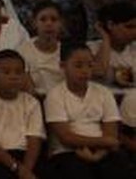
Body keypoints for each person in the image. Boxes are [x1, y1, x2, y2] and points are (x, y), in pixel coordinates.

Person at [44, 41, 128, 178]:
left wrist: (98, 154)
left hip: (102, 151)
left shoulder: (103, 92)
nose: (85, 71)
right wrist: (105, 142)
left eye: (90, 65)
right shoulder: (55, 95)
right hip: (68, 152)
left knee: (118, 166)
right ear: (63, 66)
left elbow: (111, 133)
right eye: (78, 66)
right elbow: (66, 137)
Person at [0, 50, 45, 179]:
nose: (13, 76)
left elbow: (34, 139)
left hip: (26, 156)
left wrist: (26, 170)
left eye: (18, 72)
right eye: (6, 72)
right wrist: (16, 168)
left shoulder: (31, 102)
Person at [16, 1, 63, 96]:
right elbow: (28, 89)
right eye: (43, 19)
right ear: (34, 23)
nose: (49, 24)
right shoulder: (23, 51)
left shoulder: (68, 51)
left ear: (61, 24)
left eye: (54, 19)